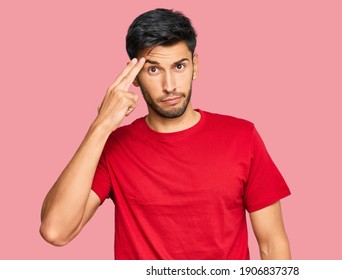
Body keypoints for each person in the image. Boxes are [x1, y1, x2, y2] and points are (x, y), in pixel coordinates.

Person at [40, 8, 291, 260]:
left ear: (195, 66)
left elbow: (272, 244)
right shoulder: (113, 146)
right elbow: (56, 231)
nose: (169, 86)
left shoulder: (241, 136)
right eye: (153, 70)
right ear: (134, 75)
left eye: (179, 66)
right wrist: (100, 126)